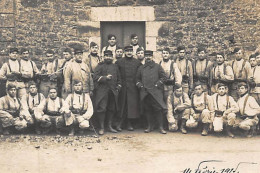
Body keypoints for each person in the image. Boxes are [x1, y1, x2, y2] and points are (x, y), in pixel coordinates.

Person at [136, 50, 167, 134]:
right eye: (146, 56)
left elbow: (163, 77)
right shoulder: (141, 68)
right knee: (148, 109)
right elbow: (137, 79)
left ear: (152, 57)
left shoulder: (157, 66)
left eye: (149, 56)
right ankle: (150, 126)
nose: (148, 57)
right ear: (144, 57)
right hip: (145, 92)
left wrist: (157, 85)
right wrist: (141, 86)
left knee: (158, 109)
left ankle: (160, 127)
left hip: (155, 92)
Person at [93, 50, 122, 135]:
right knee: (102, 109)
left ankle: (109, 126)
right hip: (102, 91)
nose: (108, 57)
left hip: (113, 91)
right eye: (106, 56)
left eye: (110, 56)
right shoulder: (100, 66)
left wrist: (118, 87)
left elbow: (119, 79)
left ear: (112, 57)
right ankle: (101, 127)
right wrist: (105, 78)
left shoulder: (115, 66)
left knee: (111, 109)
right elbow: (95, 77)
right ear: (103, 57)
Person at [116, 46, 142, 131]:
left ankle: (129, 124)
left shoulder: (137, 62)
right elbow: (116, 74)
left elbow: (141, 74)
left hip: (133, 88)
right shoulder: (119, 62)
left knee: (131, 107)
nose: (129, 53)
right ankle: (119, 124)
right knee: (122, 106)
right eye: (127, 51)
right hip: (122, 88)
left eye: (130, 51)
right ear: (124, 52)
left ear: (133, 52)